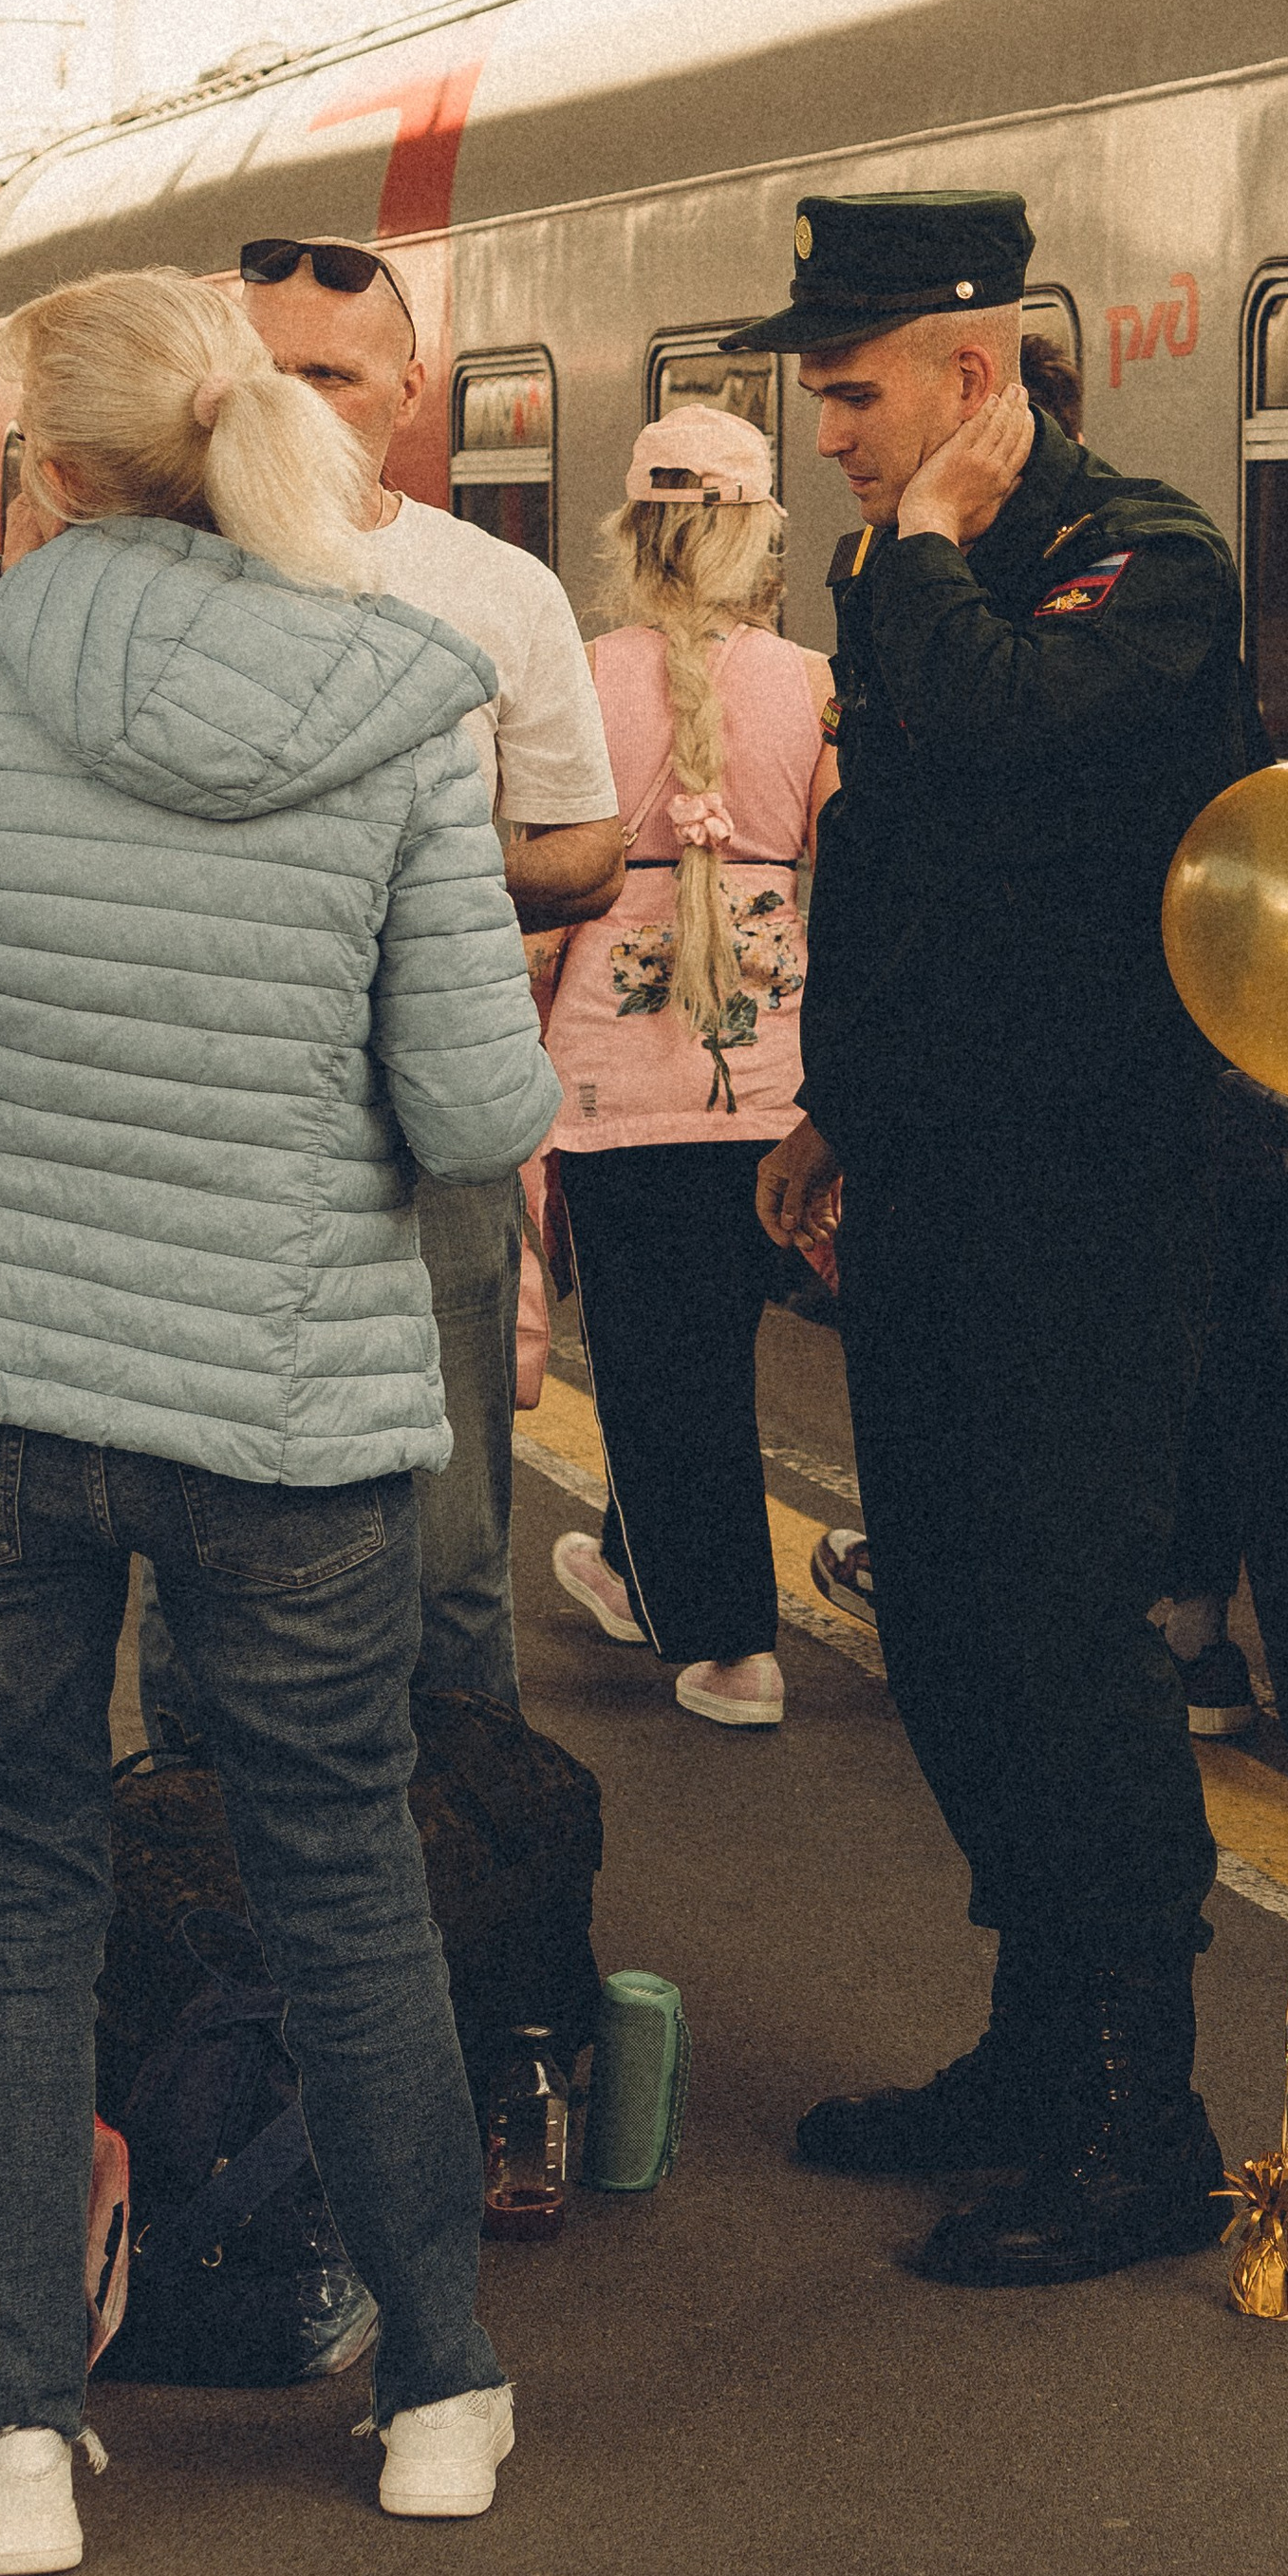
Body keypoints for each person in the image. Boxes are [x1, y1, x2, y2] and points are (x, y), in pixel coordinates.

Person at [0, 270, 562, 2573]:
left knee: (21, 1887)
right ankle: (440, 2393)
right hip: (281, 1402)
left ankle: (15, 2439)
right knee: (341, 1880)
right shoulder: (404, 704)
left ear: (32, 462)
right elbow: (466, 1104)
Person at [752, 189, 1260, 2289]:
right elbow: (893, 860)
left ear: (972, 376)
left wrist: (919, 552)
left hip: (1094, 1193)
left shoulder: (1145, 562)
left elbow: (987, 737)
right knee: (949, 1626)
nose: (832, 443)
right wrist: (831, 1105)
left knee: (1059, 1638)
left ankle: (1152, 2122)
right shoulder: (928, 574)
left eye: (856, 398)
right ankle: (1035, 2053)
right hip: (942, 1174)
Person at [138, 233, 621, 1740]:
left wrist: (403, 869)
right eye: (258, 377)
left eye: (328, 376)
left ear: (408, 393)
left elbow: (591, 852)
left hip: (429, 1127)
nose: (287, 405)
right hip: (200, 1131)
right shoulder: (143, 578)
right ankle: (200, 1879)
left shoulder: (495, 589)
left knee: (451, 1539)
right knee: (193, 1541)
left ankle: (464, 1869)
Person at [539, 406, 836, 1728]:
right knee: (703, 1347)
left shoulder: (577, 678)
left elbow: (545, 907)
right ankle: (622, 1559)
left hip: (611, 1089)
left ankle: (729, 1650)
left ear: (636, 532)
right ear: (760, 538)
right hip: (765, 1081)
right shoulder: (816, 684)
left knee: (656, 1367)